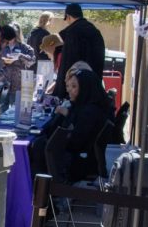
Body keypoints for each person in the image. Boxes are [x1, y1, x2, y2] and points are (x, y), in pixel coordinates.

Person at [28, 62, 114, 200]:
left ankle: (40, 197)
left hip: (81, 163)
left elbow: (75, 142)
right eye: (69, 86)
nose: (69, 90)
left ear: (85, 88)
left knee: (39, 148)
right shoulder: (85, 107)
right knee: (40, 146)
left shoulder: (90, 112)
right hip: (82, 158)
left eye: (74, 86)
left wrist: (67, 115)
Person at [53, 3, 105, 99]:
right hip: (93, 88)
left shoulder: (72, 32)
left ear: (68, 16)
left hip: (75, 90)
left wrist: (60, 90)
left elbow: (67, 62)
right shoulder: (94, 31)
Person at [0, 24, 36, 114]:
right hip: (3, 84)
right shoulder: (1, 46)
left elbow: (32, 61)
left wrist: (20, 56)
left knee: (17, 112)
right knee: (2, 112)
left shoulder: (24, 47)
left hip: (19, 85)